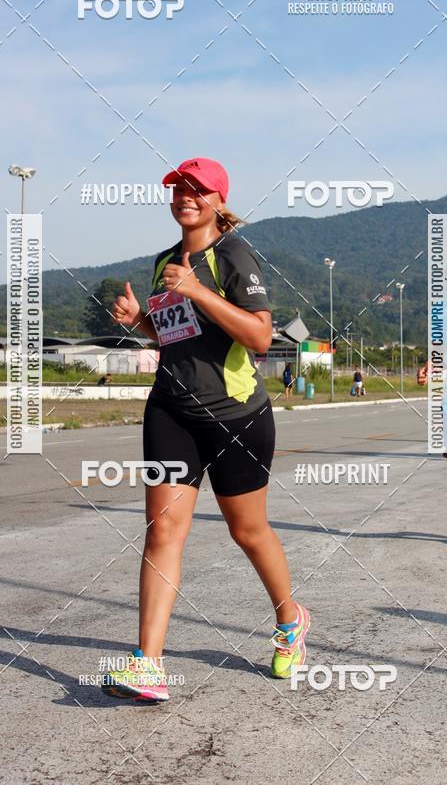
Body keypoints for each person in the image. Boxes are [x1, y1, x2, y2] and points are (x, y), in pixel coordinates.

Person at [107, 157, 309, 702]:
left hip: (236, 416)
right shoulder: (165, 262)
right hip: (172, 410)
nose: (185, 198)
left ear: (218, 200)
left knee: (247, 531)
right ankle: (147, 663)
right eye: (178, 189)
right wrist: (142, 323)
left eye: (196, 191)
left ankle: (291, 620)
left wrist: (199, 291)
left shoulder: (235, 255)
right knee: (162, 530)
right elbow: (179, 336)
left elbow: (262, 339)